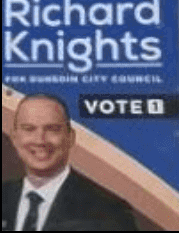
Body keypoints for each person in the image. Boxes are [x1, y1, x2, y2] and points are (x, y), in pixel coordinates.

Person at [2, 93, 138, 231]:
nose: (40, 140)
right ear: (14, 138)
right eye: (29, 129)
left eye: (52, 129)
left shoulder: (110, 211)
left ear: (70, 137)